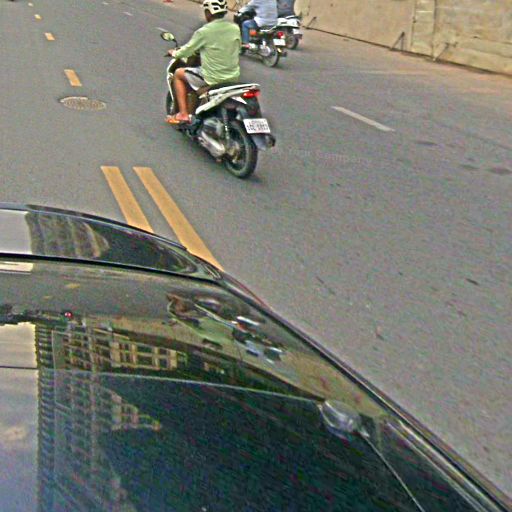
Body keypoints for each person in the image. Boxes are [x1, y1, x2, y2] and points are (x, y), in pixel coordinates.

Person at [166, 0, 241, 124]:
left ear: (209, 12)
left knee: (178, 74)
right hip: (232, 77)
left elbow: (187, 50)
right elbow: (237, 48)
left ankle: (183, 114)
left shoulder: (204, 31)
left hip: (211, 78)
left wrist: (174, 53)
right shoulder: (234, 28)